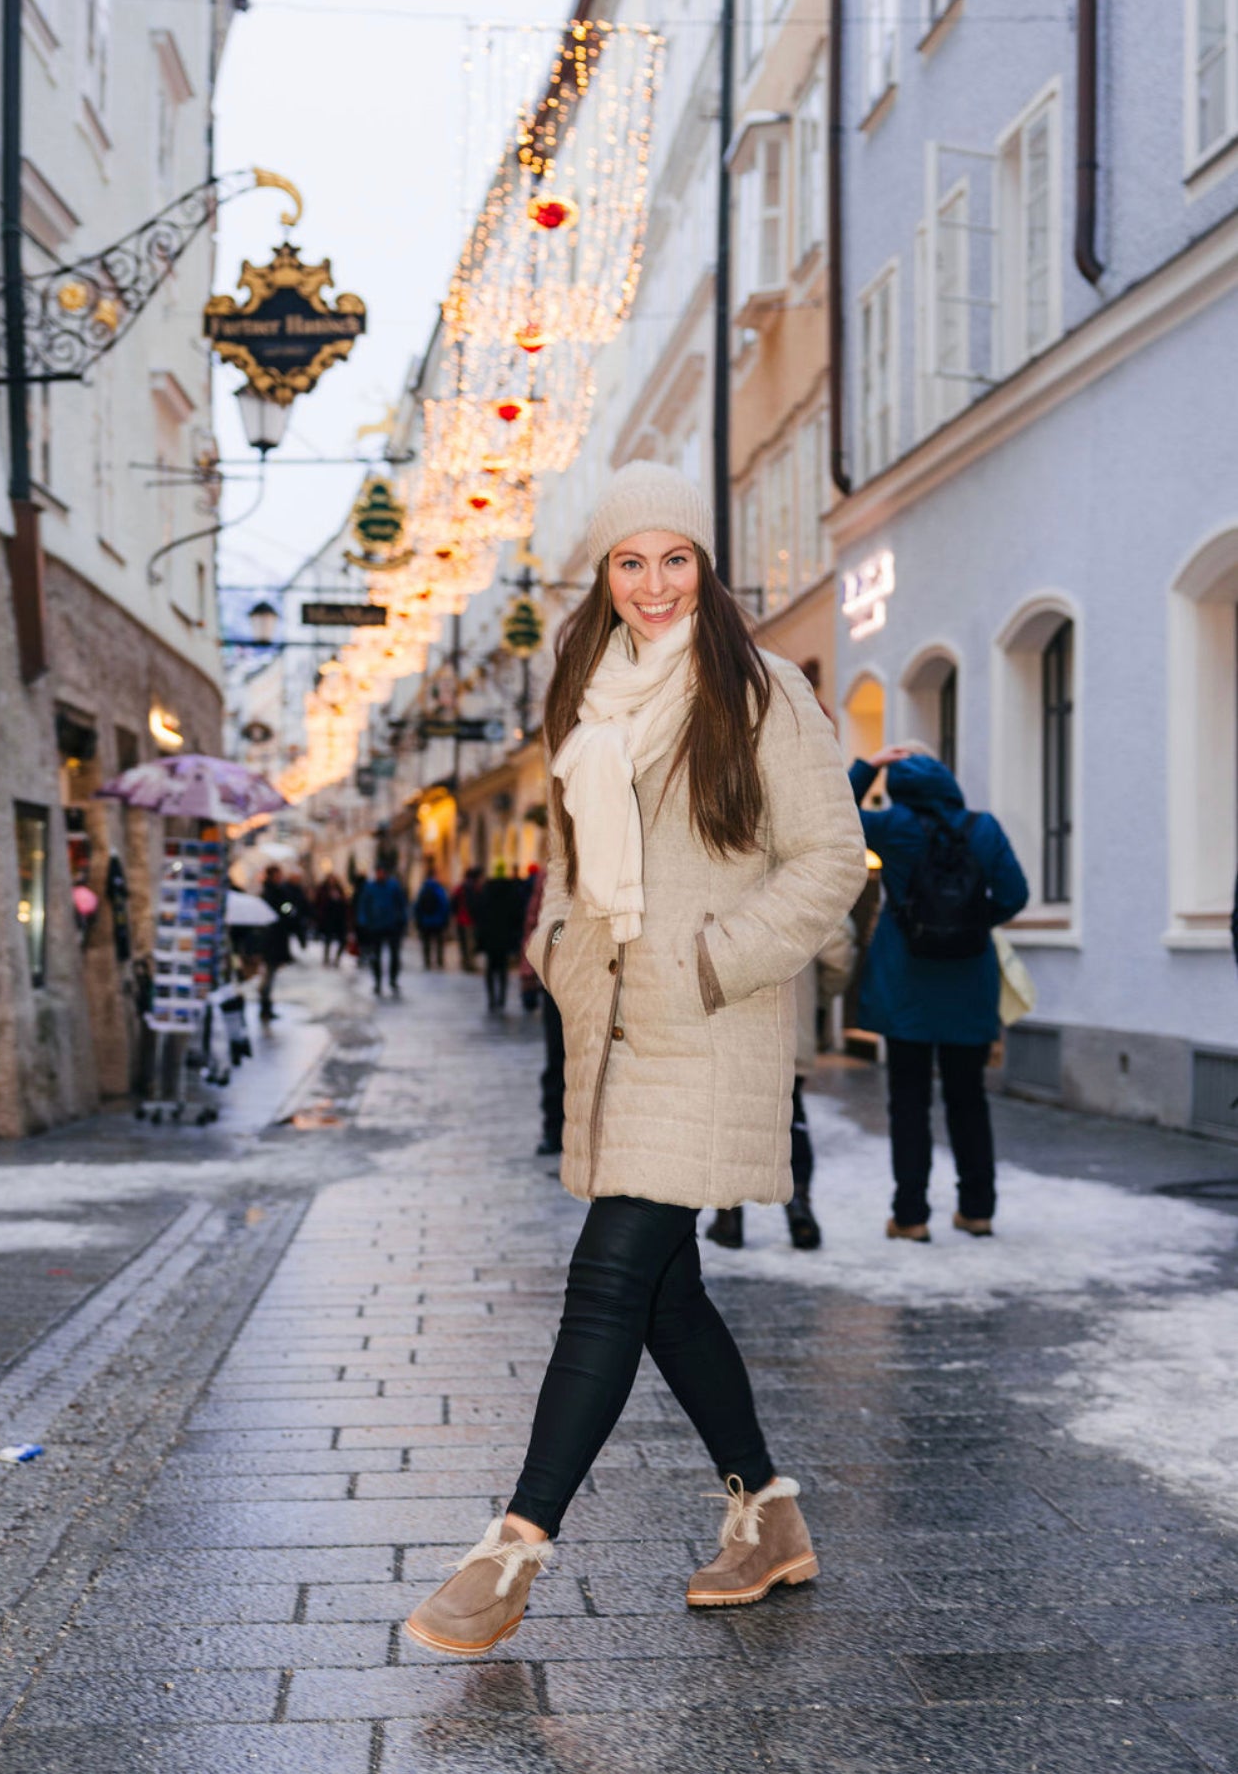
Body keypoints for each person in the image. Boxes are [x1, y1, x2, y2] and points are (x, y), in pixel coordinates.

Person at [404, 460, 866, 1659]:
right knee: (665, 1289)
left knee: (611, 1273)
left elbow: (830, 861)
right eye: (630, 561)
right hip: (612, 1027)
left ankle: (515, 1543)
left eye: (676, 558)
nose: (656, 584)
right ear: (604, 576)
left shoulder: (763, 691)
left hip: (710, 1019)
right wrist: (560, 943)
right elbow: (570, 858)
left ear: (704, 567)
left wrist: (713, 958)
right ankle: (767, 1513)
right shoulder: (587, 695)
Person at [849, 744, 1028, 1242]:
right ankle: (977, 1210)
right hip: (969, 983)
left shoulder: (892, 828)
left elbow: (832, 809)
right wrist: (970, 924)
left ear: (900, 788)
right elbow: (1015, 894)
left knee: (908, 1102)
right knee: (968, 1099)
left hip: (906, 984)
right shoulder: (984, 828)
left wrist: (871, 764)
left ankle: (910, 1216)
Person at [706, 912, 855, 1252]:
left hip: (731, 1017)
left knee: (731, 1117)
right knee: (790, 1113)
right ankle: (799, 1202)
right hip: (789, 1016)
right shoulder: (798, 866)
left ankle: (730, 1216)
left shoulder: (723, 862)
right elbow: (838, 950)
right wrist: (819, 997)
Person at [521, 863, 564, 1156]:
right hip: (557, 981)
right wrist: (528, 976)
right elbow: (535, 924)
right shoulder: (554, 871)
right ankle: (554, 1130)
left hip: (602, 982)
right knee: (558, 1059)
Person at [474, 863, 524, 1013]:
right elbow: (517, 915)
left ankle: (491, 999)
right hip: (505, 936)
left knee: (490, 968)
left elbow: (480, 916)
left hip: (490, 937)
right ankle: (501, 998)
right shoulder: (511, 891)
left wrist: (480, 938)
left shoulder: (486, 891)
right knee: (502, 968)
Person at [356, 862, 408, 997]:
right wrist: (363, 921)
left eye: (382, 872)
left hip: (392, 926)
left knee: (394, 955)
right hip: (375, 927)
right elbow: (364, 906)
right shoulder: (370, 888)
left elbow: (401, 904)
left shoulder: (393, 886)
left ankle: (393, 980)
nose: (380, 874)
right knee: (376, 956)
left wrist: (402, 919)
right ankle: (378, 982)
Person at [257, 864, 297, 1022]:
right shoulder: (271, 892)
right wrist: (287, 910)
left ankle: (266, 1006)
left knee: (270, 973)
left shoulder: (275, 891)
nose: (281, 877)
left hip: (274, 938)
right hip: (272, 939)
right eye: (278, 874)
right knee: (268, 974)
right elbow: (282, 909)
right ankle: (265, 1006)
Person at [414, 863, 452, 969]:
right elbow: (444, 904)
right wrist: (445, 919)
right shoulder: (439, 889)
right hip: (438, 921)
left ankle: (427, 962)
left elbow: (417, 906)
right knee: (439, 943)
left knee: (426, 943)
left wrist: (419, 920)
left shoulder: (423, 889)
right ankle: (439, 961)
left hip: (425, 921)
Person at [451, 866, 483, 972]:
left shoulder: (460, 887)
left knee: (463, 943)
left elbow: (453, 902)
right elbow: (475, 904)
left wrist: (455, 914)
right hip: (468, 919)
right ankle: (470, 964)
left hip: (460, 918)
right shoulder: (473, 887)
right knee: (470, 943)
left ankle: (465, 962)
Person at [315, 873, 349, 966]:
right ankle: (326, 958)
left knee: (342, 940)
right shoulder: (322, 890)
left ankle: (337, 959)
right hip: (328, 919)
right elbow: (318, 903)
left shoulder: (339, 889)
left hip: (339, 919)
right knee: (328, 940)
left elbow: (345, 903)